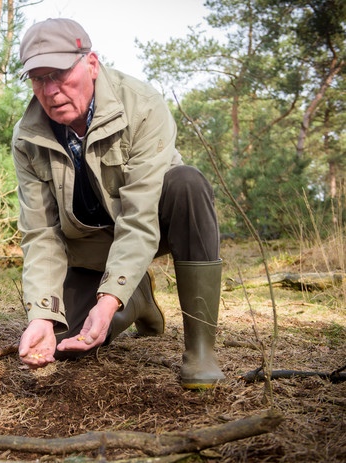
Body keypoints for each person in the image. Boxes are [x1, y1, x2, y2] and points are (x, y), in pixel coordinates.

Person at [12, 18, 225, 389]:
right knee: (63, 340)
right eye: (38, 78)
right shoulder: (27, 137)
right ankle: (137, 297)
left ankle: (200, 349)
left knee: (187, 183)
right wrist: (42, 317)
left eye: (60, 74)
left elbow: (139, 217)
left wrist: (108, 299)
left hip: (149, 227)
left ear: (91, 64)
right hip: (88, 249)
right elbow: (41, 234)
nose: (50, 90)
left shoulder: (142, 106)